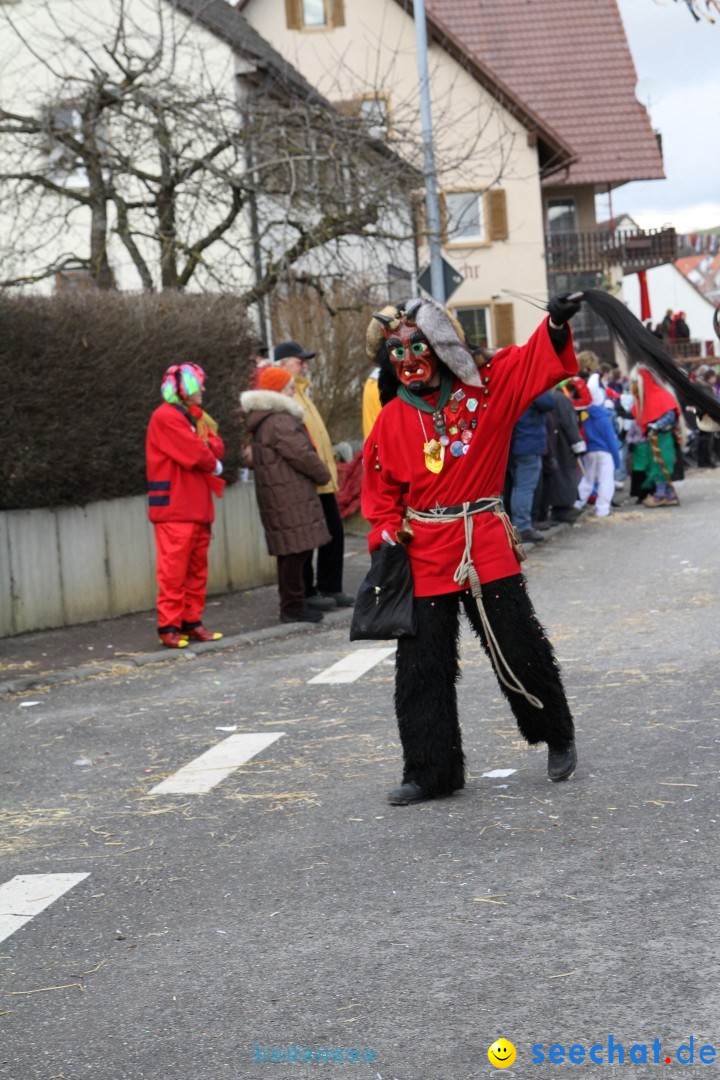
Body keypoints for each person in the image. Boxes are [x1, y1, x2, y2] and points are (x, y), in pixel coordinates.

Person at [362, 292, 581, 806]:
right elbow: (380, 496)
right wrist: (388, 531)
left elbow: (531, 361)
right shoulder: (391, 420)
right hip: (425, 552)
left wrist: (553, 325)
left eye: (419, 347)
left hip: (483, 539)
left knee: (517, 644)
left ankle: (556, 733)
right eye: (398, 353)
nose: (410, 361)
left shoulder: (487, 390)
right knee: (422, 666)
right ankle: (430, 772)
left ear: (440, 347)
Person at [240, 366, 332, 624]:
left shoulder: (266, 419)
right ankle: (292, 607)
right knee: (294, 553)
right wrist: (323, 474)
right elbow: (302, 454)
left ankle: (294, 604)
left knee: (290, 552)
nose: (293, 392)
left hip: (281, 495)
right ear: (278, 392)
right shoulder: (280, 420)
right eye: (290, 388)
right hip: (288, 496)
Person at [146, 363, 225, 648]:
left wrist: (210, 454)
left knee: (194, 570)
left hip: (194, 507)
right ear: (185, 388)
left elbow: (215, 447)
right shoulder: (166, 417)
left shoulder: (192, 417)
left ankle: (191, 622)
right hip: (177, 509)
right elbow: (197, 454)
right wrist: (211, 456)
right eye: (199, 384)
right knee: (174, 572)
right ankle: (169, 627)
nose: (203, 389)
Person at [275, 340, 355, 609]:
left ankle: (328, 587)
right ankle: (312, 591)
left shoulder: (302, 393)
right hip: (309, 480)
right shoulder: (287, 397)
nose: (305, 365)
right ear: (284, 364)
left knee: (333, 533)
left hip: (321, 479)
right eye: (300, 361)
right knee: (309, 538)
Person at [629, 365, 684, 507]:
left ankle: (660, 496)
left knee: (662, 465)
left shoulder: (660, 395)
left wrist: (656, 425)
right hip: (653, 439)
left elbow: (670, 414)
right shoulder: (643, 399)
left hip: (664, 437)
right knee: (656, 465)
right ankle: (668, 495)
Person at [566, 378, 621, 517]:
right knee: (606, 481)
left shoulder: (585, 416)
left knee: (588, 480)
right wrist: (617, 460)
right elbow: (611, 440)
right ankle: (603, 509)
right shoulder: (604, 417)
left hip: (590, 451)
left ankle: (577, 503)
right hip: (605, 453)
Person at [508, 391, 556, 542]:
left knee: (517, 487)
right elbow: (549, 402)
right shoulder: (530, 386)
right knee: (525, 488)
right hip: (529, 444)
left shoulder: (514, 387)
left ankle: (517, 524)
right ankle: (522, 526)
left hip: (517, 445)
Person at [546, 382, 585, 523]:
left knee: (561, 475)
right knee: (565, 473)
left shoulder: (556, 397)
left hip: (557, 441)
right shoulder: (561, 399)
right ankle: (562, 508)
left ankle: (562, 507)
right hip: (563, 443)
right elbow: (569, 423)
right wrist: (576, 441)